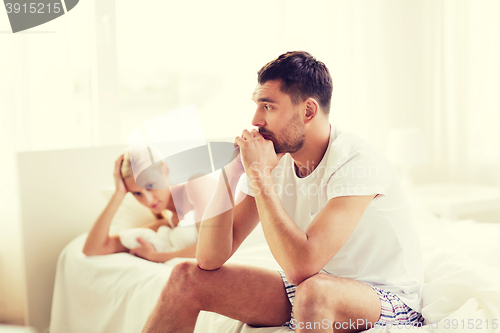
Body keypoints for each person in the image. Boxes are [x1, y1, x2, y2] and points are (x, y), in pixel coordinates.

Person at [142, 51, 425, 332]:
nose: (255, 120)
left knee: (314, 292)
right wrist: (232, 173)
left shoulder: (357, 161)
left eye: (268, 107)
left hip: (386, 300)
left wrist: (261, 175)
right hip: (311, 290)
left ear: (308, 111)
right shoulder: (274, 161)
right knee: (185, 277)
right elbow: (209, 258)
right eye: (257, 105)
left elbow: (301, 266)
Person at [82, 149, 215, 263]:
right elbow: (93, 249)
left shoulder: (197, 183)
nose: (148, 200)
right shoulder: (166, 224)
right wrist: (118, 194)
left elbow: (211, 248)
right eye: (137, 193)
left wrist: (156, 256)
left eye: (150, 186)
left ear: (165, 169)